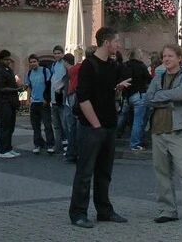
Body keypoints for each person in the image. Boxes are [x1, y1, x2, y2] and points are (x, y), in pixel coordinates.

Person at [68, 28, 129, 229]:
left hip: (109, 125)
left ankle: (104, 210)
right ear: (106, 43)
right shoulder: (88, 65)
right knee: (85, 172)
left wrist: (118, 87)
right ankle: (78, 213)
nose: (118, 45)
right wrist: (95, 124)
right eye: (116, 41)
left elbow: (105, 91)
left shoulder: (111, 65)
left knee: (104, 172)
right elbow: (83, 98)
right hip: (91, 127)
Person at [146, 44, 182, 229]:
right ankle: (167, 210)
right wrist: (168, 99)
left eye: (170, 56)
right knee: (162, 172)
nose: (166, 59)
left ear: (179, 58)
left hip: (178, 130)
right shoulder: (158, 77)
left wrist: (161, 97)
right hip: (158, 130)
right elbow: (148, 98)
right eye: (164, 56)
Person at [0, 50, 22, 159]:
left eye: (9, 59)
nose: (8, 61)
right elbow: (1, 88)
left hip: (11, 101)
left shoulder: (9, 70)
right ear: (1, 60)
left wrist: (18, 88)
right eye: (6, 59)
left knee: (11, 126)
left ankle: (8, 148)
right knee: (5, 126)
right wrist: (16, 89)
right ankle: (3, 150)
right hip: (4, 101)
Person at [124, 48, 153, 151]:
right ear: (138, 55)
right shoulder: (141, 66)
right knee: (139, 120)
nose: (142, 55)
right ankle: (135, 143)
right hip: (140, 94)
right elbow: (149, 79)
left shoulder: (125, 65)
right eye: (140, 53)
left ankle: (133, 139)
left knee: (132, 118)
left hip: (129, 95)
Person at [27, 54, 56, 154]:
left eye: (34, 61)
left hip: (43, 102)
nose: (32, 64)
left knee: (47, 124)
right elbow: (29, 87)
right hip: (34, 102)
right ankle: (38, 144)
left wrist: (46, 98)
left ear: (38, 62)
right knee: (36, 126)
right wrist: (28, 99)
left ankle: (50, 144)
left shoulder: (45, 71)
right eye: (31, 62)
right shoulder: (29, 73)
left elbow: (49, 86)